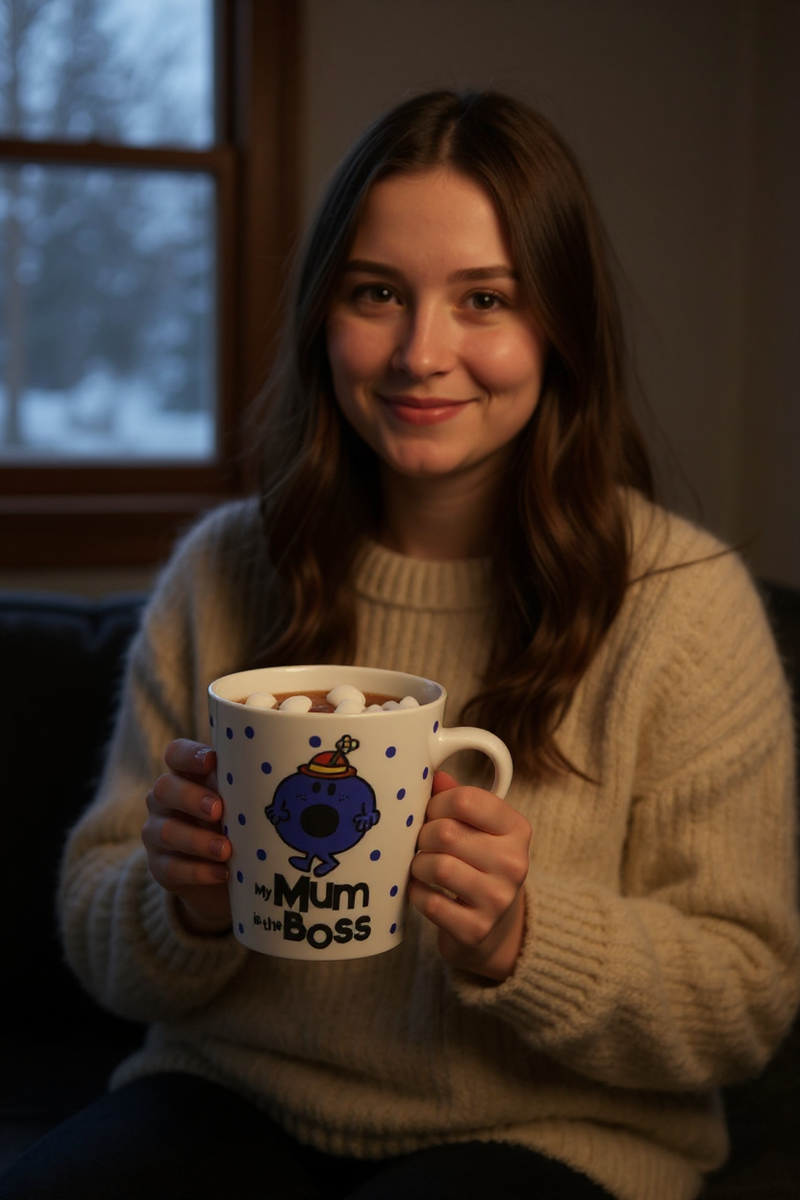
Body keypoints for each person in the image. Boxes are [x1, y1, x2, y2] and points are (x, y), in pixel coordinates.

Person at [3, 89, 798, 1200]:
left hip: (554, 1135)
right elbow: (100, 932)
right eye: (376, 293)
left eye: (485, 299)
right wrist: (184, 902)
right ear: (324, 316)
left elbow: (744, 999)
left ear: (560, 328)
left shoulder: (682, 604)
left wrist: (522, 940)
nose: (422, 353)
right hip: (231, 1094)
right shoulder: (223, 570)